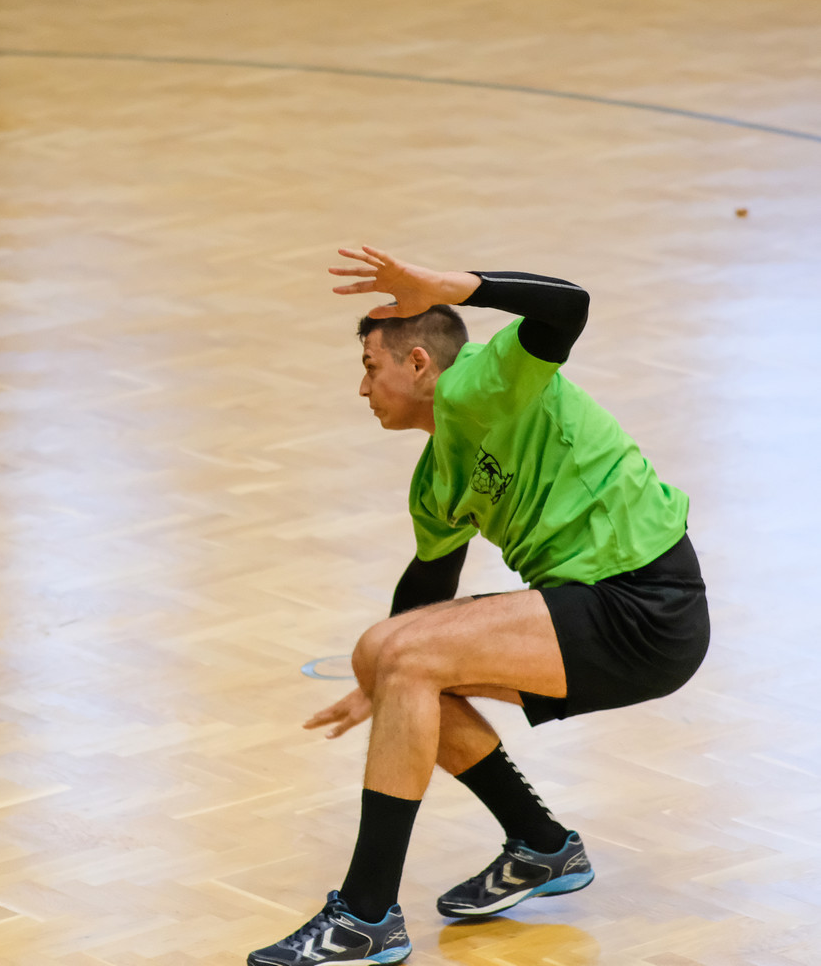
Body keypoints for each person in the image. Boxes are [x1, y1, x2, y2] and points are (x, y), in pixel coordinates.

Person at [246, 246, 709, 965]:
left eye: (370, 367)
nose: (362, 389)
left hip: (645, 601)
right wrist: (375, 678)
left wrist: (448, 285)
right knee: (394, 658)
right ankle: (541, 845)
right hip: (594, 613)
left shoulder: (481, 381)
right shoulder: (435, 479)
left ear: (418, 363)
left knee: (403, 656)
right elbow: (425, 590)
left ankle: (366, 916)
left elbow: (570, 305)